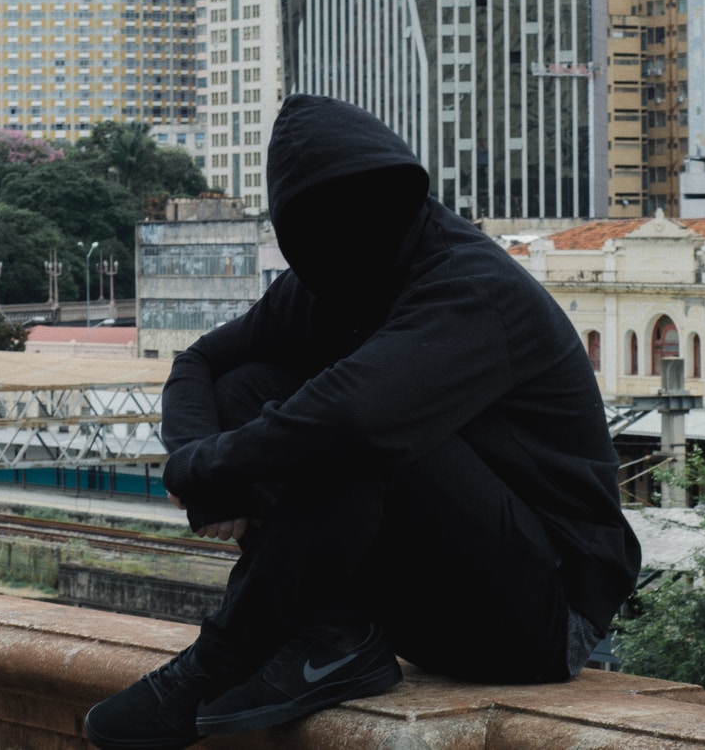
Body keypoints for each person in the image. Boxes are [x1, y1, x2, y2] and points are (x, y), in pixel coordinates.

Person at [85, 94, 641, 749]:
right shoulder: (330, 281)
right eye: (318, 231)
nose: (341, 241)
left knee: (358, 430)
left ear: (395, 199)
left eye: (356, 216)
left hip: (544, 616)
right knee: (250, 386)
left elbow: (353, 417)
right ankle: (331, 637)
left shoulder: (469, 286)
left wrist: (202, 467)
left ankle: (208, 671)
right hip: (434, 607)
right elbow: (203, 360)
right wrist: (200, 463)